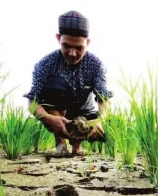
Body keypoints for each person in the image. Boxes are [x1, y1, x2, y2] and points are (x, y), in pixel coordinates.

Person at [24, 10, 113, 156]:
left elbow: (104, 98)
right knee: (56, 85)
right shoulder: (45, 64)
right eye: (66, 46)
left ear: (87, 43)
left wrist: (100, 119)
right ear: (59, 38)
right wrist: (48, 118)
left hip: (85, 115)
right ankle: (61, 143)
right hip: (57, 112)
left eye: (79, 48)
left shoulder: (96, 64)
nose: (72, 53)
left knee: (95, 118)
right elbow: (32, 103)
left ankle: (77, 146)